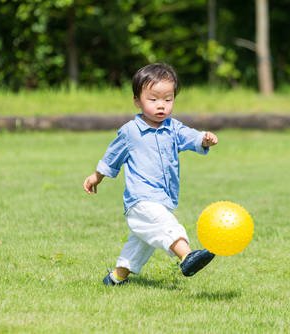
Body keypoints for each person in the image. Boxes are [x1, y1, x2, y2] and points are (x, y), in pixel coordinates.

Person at [83, 63, 219, 286]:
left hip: (163, 198)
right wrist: (96, 176)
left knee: (139, 245)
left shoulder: (173, 128)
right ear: (137, 100)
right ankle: (187, 256)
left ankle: (115, 278)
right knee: (166, 225)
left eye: (168, 99)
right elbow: (112, 156)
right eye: (153, 99)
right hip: (140, 200)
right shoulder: (130, 132)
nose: (161, 106)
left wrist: (204, 139)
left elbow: (190, 136)